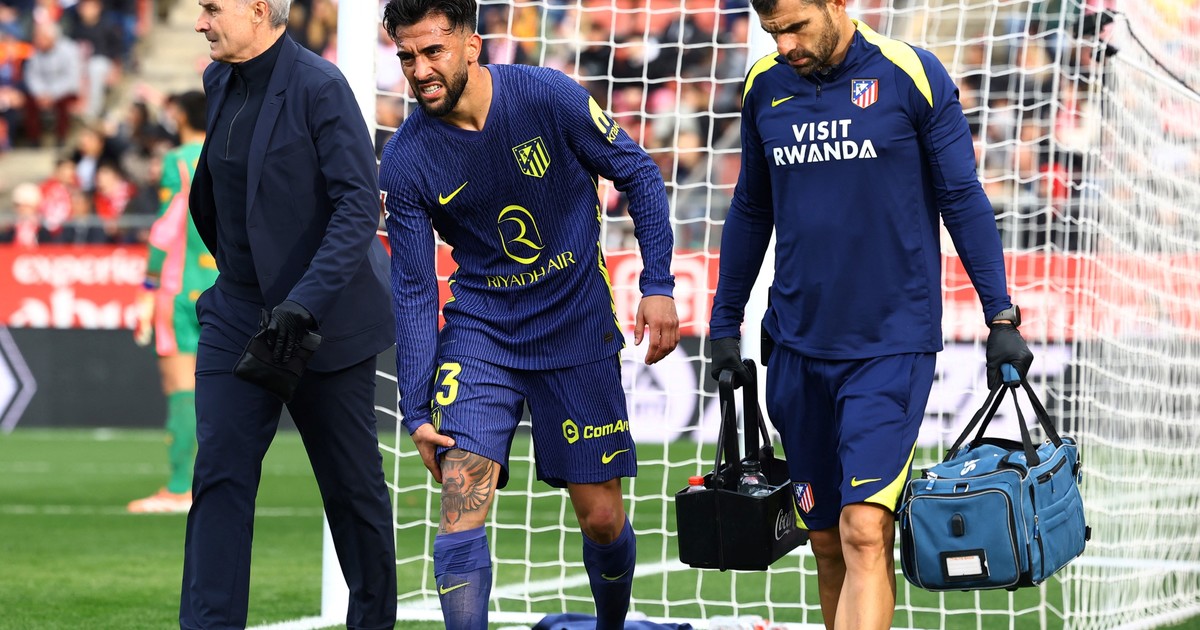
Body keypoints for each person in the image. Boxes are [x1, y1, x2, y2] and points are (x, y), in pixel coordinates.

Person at [706, 1, 1034, 629]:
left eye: (796, 27)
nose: (784, 46)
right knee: (826, 541)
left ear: (837, 4)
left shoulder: (913, 74)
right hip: (795, 346)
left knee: (863, 530)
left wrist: (1001, 315)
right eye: (773, 33)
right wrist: (725, 324)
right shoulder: (763, 85)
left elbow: (961, 196)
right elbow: (751, 207)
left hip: (890, 345)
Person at [379, 0, 680, 627]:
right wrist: (416, 409)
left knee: (602, 518)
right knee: (461, 503)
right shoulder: (405, 160)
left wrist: (657, 283)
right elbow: (413, 289)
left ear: (471, 45)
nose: (419, 69)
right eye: (407, 56)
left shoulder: (546, 95)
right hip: (482, 333)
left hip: (576, 326)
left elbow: (640, 175)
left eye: (433, 51)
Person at [182, 1, 397, 628]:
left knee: (352, 492)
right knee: (219, 476)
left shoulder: (320, 86)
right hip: (237, 310)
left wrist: (303, 302)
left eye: (212, 8)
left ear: (258, 10)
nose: (200, 22)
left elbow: (357, 207)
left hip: (320, 317)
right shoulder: (218, 79)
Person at [127, 90, 216, 515]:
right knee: (225, 392)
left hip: (181, 290)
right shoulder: (231, 152)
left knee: (181, 388)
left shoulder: (178, 161)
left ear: (179, 116)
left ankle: (180, 488)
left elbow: (167, 226)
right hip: (226, 286)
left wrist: (147, 287)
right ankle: (221, 487)